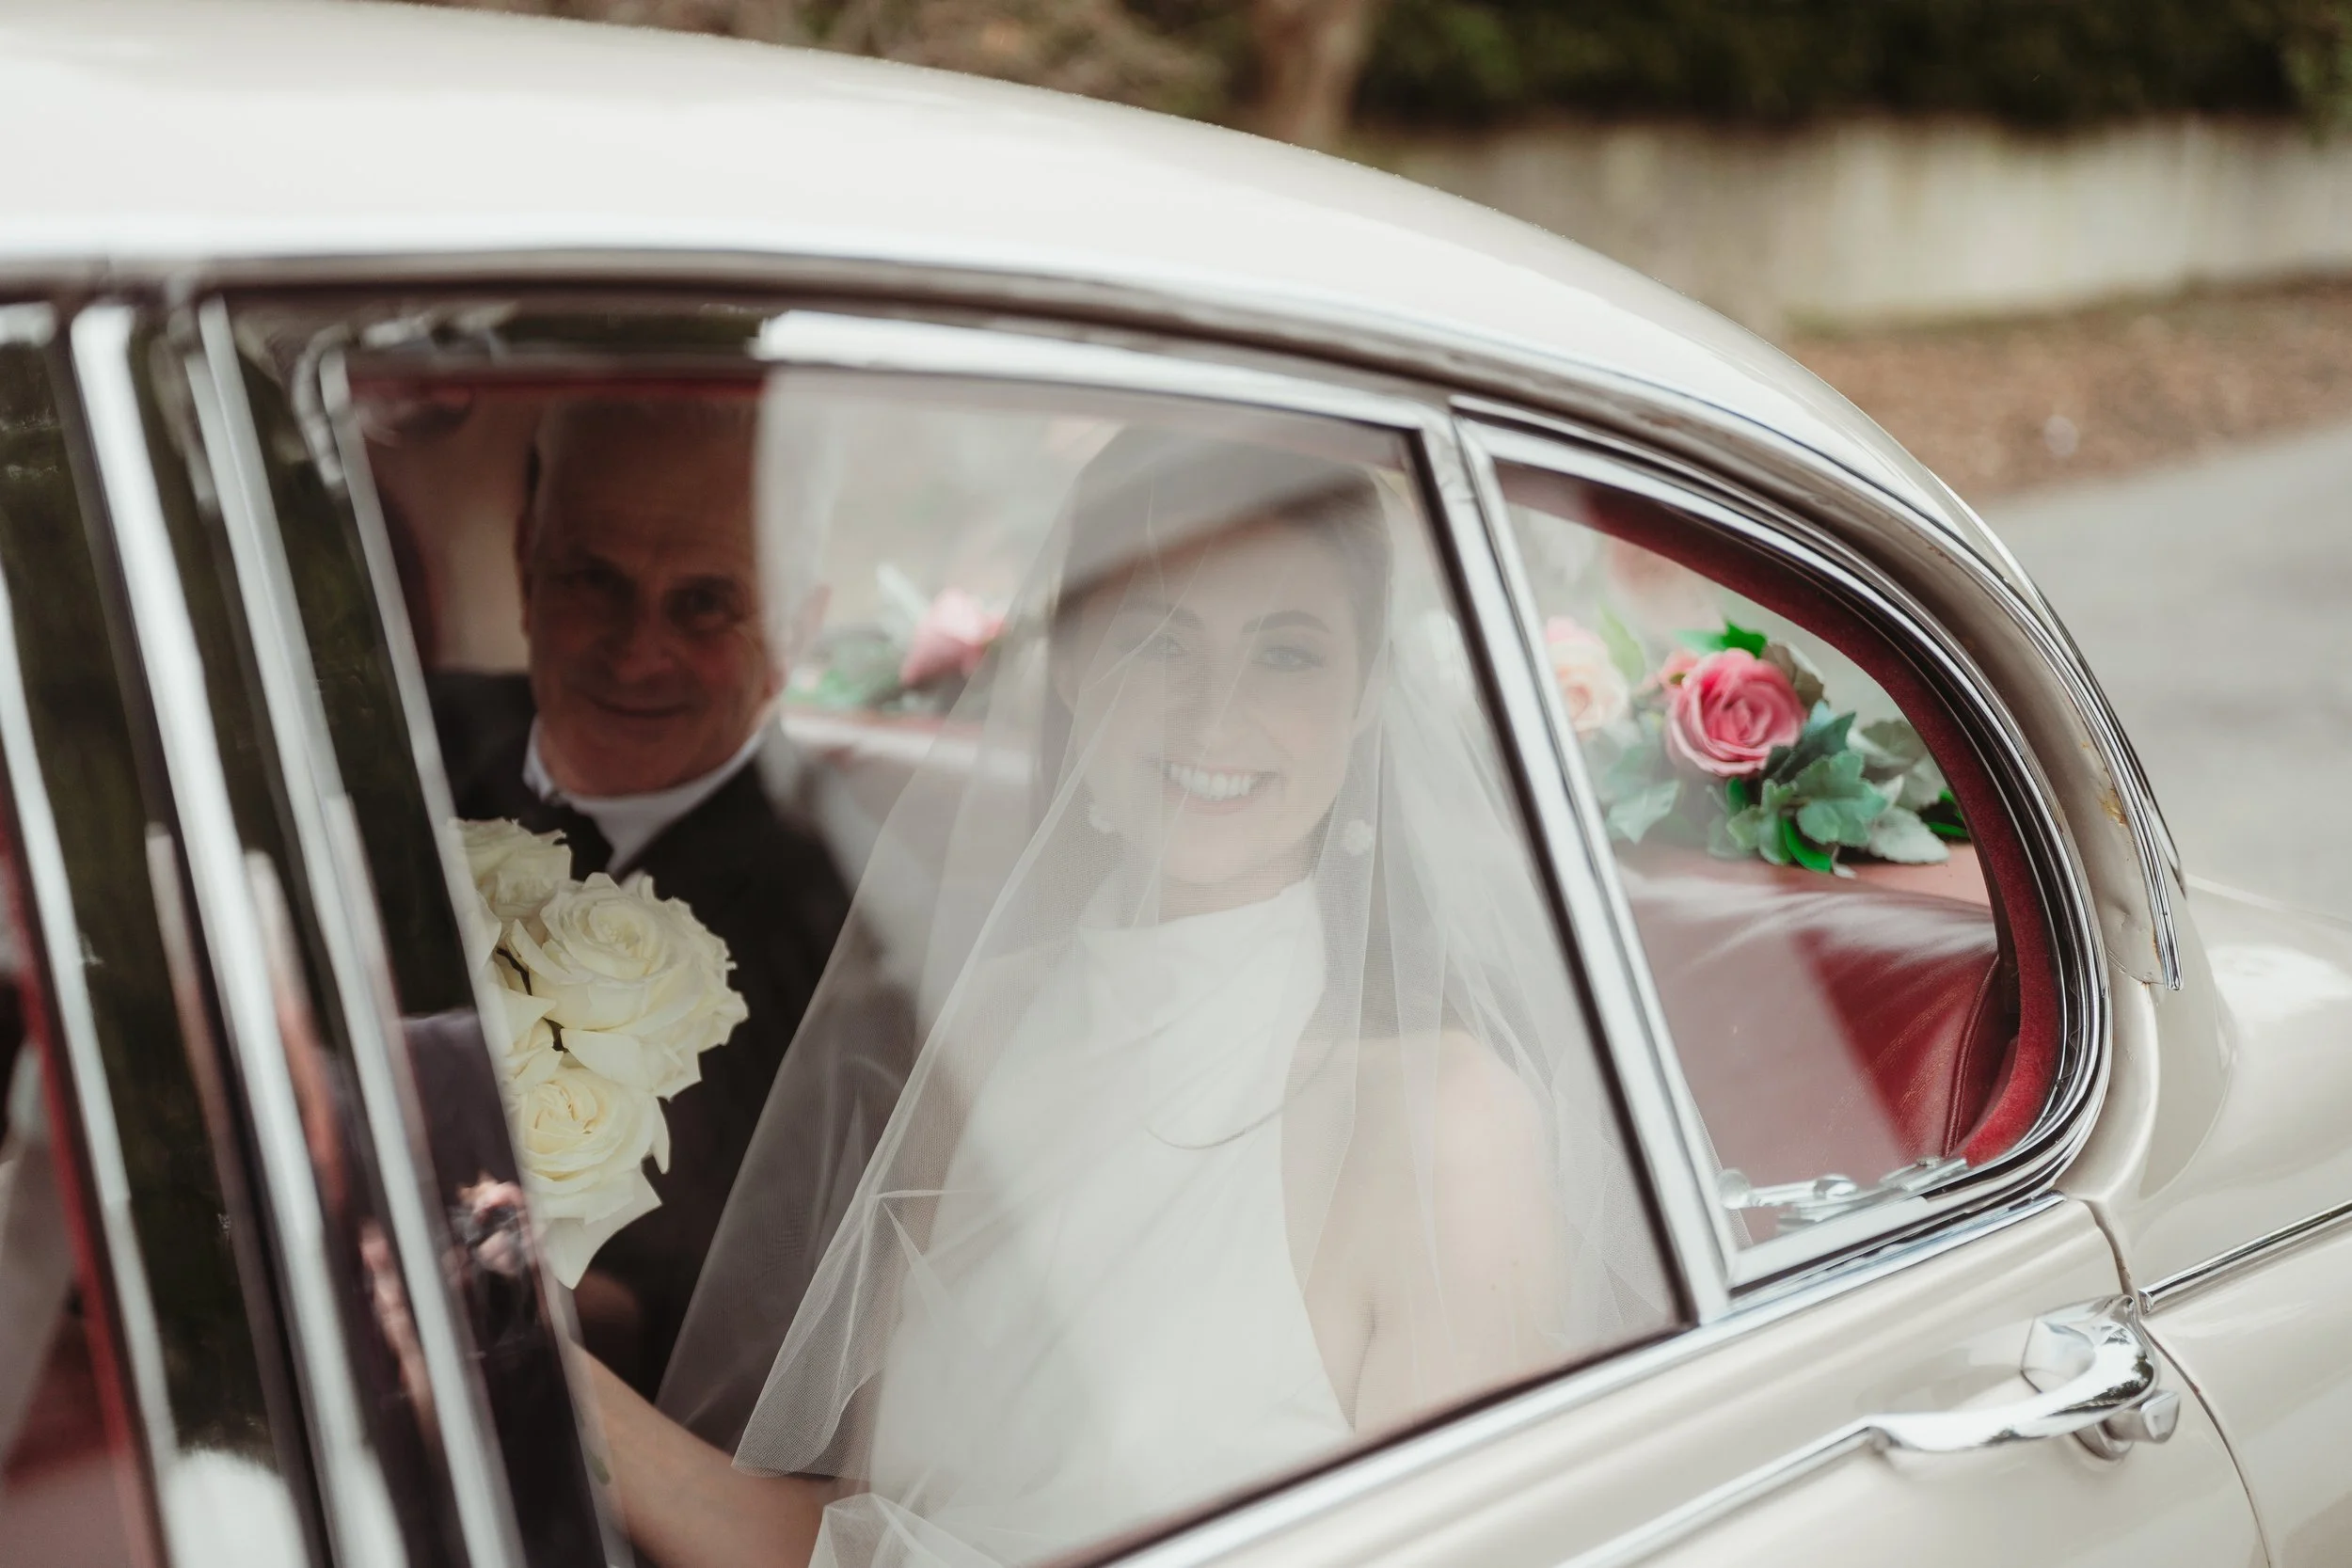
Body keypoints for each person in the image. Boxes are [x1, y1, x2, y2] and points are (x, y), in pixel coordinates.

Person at [591, 426, 1671, 1568]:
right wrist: (543, 1373)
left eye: (1286, 653)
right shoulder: (991, 1016)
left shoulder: (1445, 1127)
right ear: (1067, 664)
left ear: (1362, 702)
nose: (1211, 715)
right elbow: (866, 1543)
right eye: (1158, 640)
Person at [430, 395, 864, 1398]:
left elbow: (728, 1320)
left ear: (796, 626)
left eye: (704, 601)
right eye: (594, 578)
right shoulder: (391, 744)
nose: (636, 650)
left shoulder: (839, 941)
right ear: (526, 567)